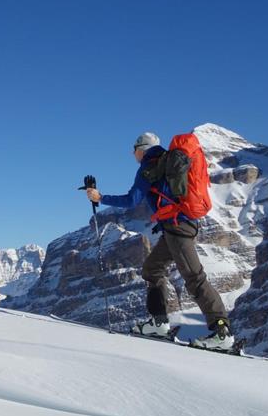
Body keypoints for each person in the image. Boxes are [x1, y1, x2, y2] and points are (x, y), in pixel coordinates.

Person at [84, 132, 234, 351]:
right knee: (152, 269)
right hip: (177, 225)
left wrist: (101, 197)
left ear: (141, 149)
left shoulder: (150, 165)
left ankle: (222, 332)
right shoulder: (167, 161)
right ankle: (159, 323)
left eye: (134, 149)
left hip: (178, 227)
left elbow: (132, 200)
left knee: (194, 277)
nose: (132, 153)